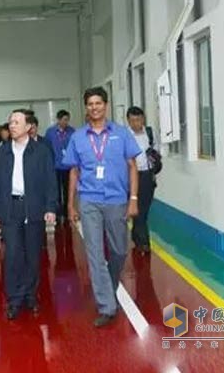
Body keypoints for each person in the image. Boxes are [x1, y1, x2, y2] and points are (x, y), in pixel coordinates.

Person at [63, 86, 141, 327]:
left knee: (119, 250)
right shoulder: (77, 137)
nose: (94, 107)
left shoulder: (121, 134)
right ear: (85, 108)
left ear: (105, 105)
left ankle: (110, 281)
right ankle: (107, 306)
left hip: (117, 199)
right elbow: (74, 172)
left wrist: (133, 199)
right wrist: (70, 204)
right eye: (90, 104)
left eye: (98, 103)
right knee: (95, 254)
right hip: (89, 201)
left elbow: (132, 167)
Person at [0, 109, 58, 320]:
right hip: (10, 207)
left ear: (29, 127)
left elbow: (50, 181)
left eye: (16, 122)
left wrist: (51, 207)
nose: (11, 126)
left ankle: (31, 296)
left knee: (33, 255)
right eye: (10, 122)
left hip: (34, 207)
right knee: (13, 255)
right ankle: (14, 299)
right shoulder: (2, 152)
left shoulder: (41, 151)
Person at [126, 106, 157, 254]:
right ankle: (143, 242)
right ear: (128, 121)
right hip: (131, 175)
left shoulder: (149, 133)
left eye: (138, 120)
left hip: (147, 175)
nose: (135, 123)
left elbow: (157, 150)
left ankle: (137, 236)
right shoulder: (125, 136)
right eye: (132, 120)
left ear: (143, 119)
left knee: (143, 209)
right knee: (136, 209)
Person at [45, 110, 75, 221]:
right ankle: (57, 212)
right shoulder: (50, 132)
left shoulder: (72, 132)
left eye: (67, 120)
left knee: (68, 190)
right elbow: (47, 148)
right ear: (58, 120)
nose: (66, 122)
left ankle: (67, 211)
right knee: (56, 191)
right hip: (55, 166)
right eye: (64, 120)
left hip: (68, 166)